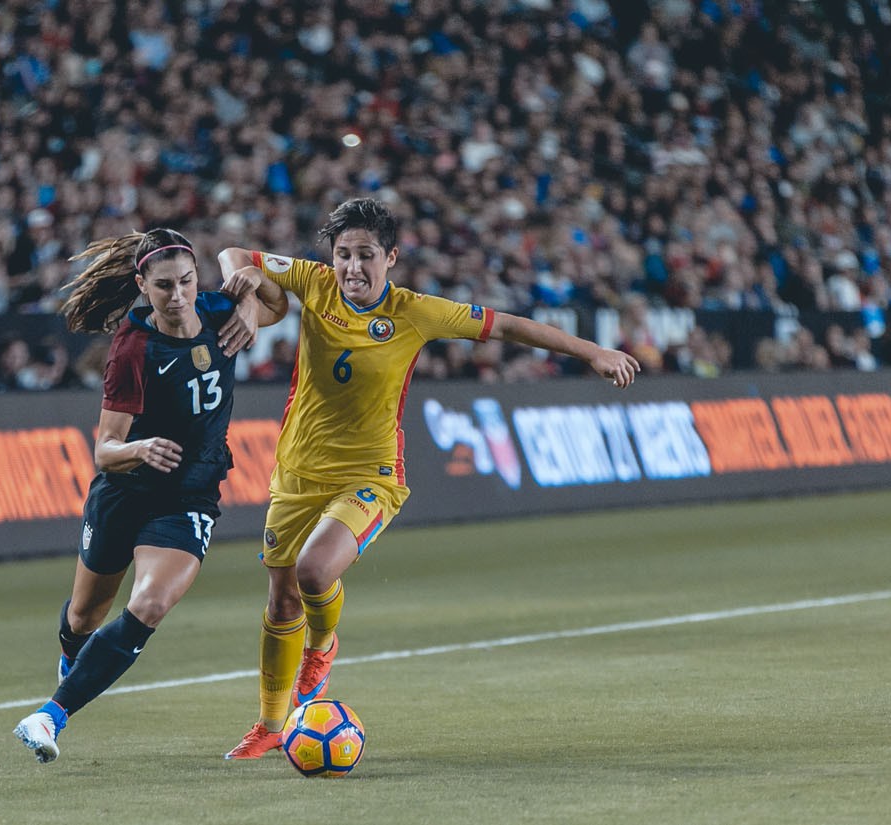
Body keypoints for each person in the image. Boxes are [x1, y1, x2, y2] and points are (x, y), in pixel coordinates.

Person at [218, 198, 640, 760]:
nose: (352, 268)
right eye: (343, 254)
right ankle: (271, 725)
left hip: (372, 475)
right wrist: (243, 289)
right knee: (280, 598)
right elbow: (233, 254)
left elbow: (509, 326)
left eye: (366, 255)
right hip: (296, 473)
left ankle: (321, 648)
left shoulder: (416, 311)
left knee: (314, 572)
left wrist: (593, 352)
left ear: (390, 257)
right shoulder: (313, 282)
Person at [12, 227, 288, 764]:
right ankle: (75, 661)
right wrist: (138, 448)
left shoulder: (217, 310)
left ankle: (49, 716)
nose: (179, 295)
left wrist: (253, 289)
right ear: (142, 285)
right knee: (83, 619)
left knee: (151, 603)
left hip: (188, 495)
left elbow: (281, 300)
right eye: (164, 286)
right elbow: (105, 449)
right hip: (126, 491)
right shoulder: (132, 349)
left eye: (186, 281)